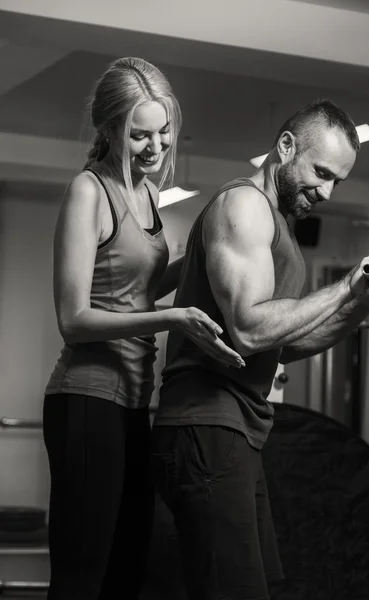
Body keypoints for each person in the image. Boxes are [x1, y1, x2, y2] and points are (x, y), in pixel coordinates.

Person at [151, 99, 369, 600]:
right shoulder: (243, 207)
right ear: (286, 147)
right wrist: (347, 286)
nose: (326, 191)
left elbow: (285, 344)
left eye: (338, 182)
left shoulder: (278, 227)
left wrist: (360, 305)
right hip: (207, 426)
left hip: (240, 430)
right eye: (321, 172)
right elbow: (247, 328)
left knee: (261, 587)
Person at [42, 57, 244, 600]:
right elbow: (73, 318)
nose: (155, 147)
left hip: (132, 401)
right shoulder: (91, 191)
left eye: (163, 131)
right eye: (138, 135)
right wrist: (172, 318)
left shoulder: (150, 196)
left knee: (128, 571)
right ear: (107, 129)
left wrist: (203, 245)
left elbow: (137, 291)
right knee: (82, 577)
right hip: (86, 398)